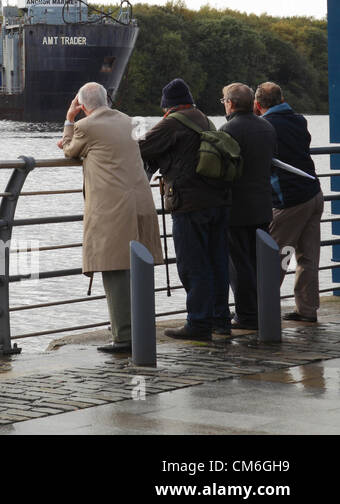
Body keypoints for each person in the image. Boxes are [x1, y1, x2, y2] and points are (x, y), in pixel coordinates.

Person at [59, 82, 163, 353]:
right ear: (108, 100)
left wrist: (70, 120)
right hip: (140, 201)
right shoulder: (129, 121)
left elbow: (70, 150)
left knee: (114, 268)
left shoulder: (85, 126)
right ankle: (140, 327)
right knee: (138, 266)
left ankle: (124, 337)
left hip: (112, 208)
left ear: (82, 105)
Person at [137, 78, 231, 340]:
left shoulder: (172, 122)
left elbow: (138, 147)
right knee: (217, 262)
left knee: (193, 265)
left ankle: (199, 323)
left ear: (167, 106)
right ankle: (220, 320)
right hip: (219, 201)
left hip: (190, 204)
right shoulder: (203, 118)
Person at [256, 82, 324, 322]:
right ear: (281, 98)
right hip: (314, 194)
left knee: (276, 257)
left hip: (290, 200)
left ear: (258, 104)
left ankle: (263, 312)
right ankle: (307, 310)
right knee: (308, 257)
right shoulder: (299, 120)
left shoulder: (266, 126)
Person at [218, 82, 276, 330]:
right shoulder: (267, 126)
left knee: (238, 264)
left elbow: (222, 170)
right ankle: (263, 310)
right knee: (258, 261)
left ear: (230, 103)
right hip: (262, 204)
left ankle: (246, 315)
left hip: (237, 208)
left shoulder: (228, 130)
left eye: (224, 101)